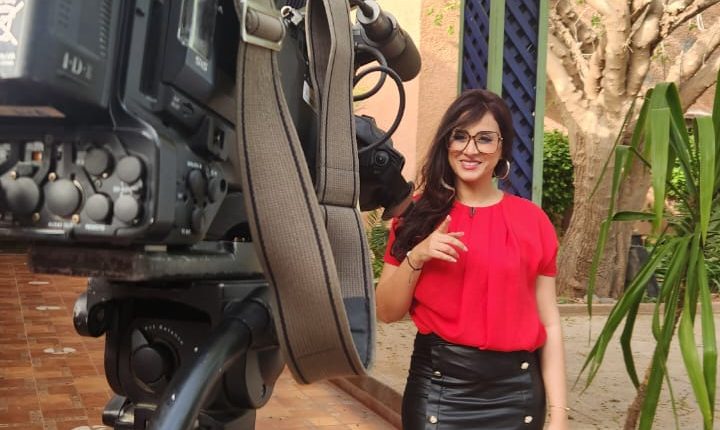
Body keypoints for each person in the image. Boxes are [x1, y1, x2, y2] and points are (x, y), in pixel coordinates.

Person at [375, 89, 569, 430]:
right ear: (446, 142)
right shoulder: (417, 216)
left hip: (517, 396)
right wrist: (418, 255)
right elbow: (386, 313)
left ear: (502, 148)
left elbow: (549, 323)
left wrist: (559, 413)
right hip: (440, 391)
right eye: (460, 136)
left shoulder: (533, 221)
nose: (470, 149)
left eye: (485, 139)